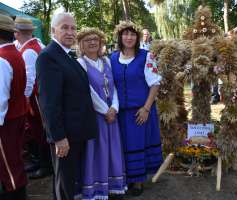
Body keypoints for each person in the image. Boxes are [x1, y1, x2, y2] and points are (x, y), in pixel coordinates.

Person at [36, 12, 98, 199]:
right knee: (64, 184)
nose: (70, 32)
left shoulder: (66, 55)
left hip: (76, 133)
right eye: (64, 27)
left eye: (73, 28)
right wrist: (59, 137)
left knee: (69, 182)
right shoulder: (48, 57)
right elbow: (48, 103)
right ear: (53, 30)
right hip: (65, 136)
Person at [110, 21, 163, 196]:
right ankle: (125, 178)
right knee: (123, 145)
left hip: (140, 111)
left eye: (132, 34)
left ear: (137, 37)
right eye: (125, 34)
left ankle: (139, 181)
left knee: (139, 144)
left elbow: (155, 84)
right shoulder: (112, 58)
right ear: (120, 36)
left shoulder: (146, 56)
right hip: (120, 113)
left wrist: (146, 108)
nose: (129, 37)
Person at [76, 27, 126, 200]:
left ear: (101, 43)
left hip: (112, 114)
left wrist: (114, 107)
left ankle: (114, 186)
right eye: (88, 40)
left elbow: (114, 88)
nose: (92, 42)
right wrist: (105, 110)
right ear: (81, 44)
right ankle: (97, 189)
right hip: (96, 116)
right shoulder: (80, 63)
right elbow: (87, 91)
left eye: (95, 39)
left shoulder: (107, 61)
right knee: (97, 150)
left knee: (113, 149)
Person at [14, 16, 52, 179]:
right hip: (39, 94)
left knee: (40, 129)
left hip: (36, 96)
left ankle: (46, 165)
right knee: (39, 129)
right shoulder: (35, 45)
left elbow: (30, 78)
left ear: (17, 33)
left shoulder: (29, 50)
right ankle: (42, 162)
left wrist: (25, 98)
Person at [0, 14, 28, 200]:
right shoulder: (15, 53)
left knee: (8, 165)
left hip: (6, 121)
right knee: (14, 160)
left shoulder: (2, 58)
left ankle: (16, 195)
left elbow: (1, 97)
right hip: (16, 114)